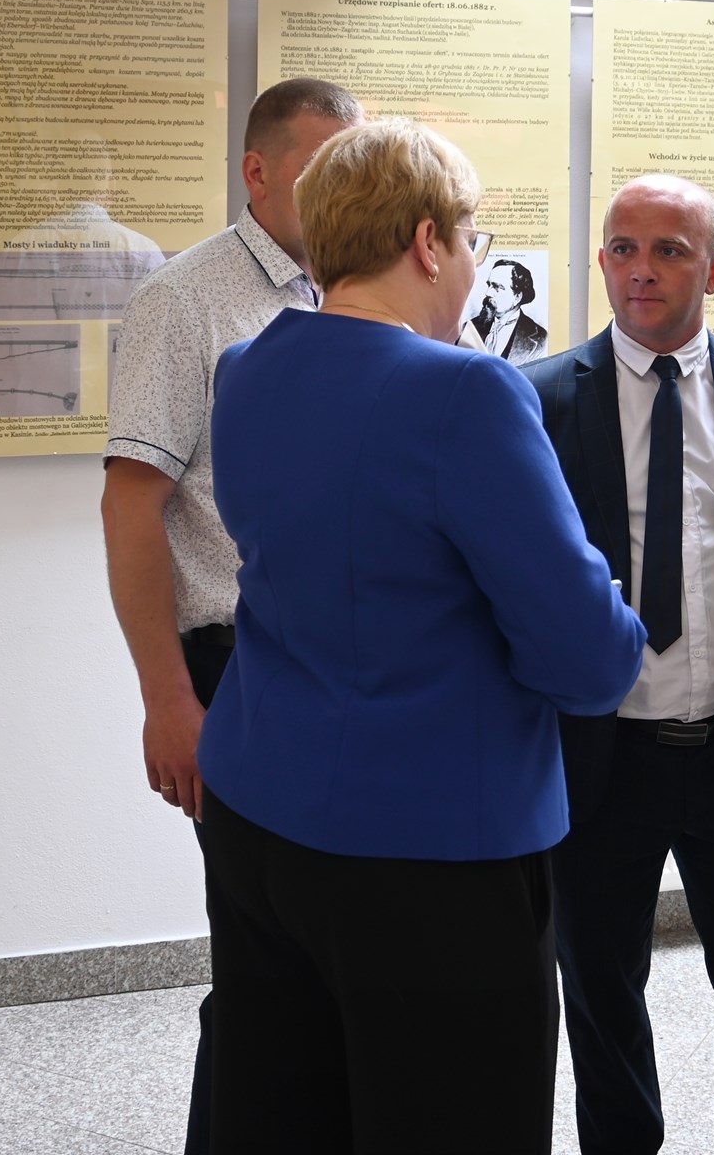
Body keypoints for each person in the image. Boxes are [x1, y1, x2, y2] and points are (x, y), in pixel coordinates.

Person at [197, 118, 646, 1152]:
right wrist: (609, 599)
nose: (477, 263)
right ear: (428, 241)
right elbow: (588, 660)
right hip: (429, 852)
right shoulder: (465, 392)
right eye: (474, 238)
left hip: (262, 816)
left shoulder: (246, 369)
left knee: (286, 1117)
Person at [519, 174, 714, 1155]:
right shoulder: (539, 399)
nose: (641, 270)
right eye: (623, 247)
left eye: (669, 250)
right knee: (600, 987)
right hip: (599, 755)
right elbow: (523, 572)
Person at [100, 76, 362, 1154]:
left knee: (333, 964)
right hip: (236, 668)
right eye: (323, 168)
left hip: (344, 675)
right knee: (263, 975)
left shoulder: (360, 291)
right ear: (257, 172)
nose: (347, 189)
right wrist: (168, 698)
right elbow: (131, 504)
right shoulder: (188, 301)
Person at [462, 256, 548, 363]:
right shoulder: (467, 328)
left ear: (517, 297)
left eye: (497, 287)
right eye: (489, 285)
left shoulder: (540, 338)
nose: (488, 293)